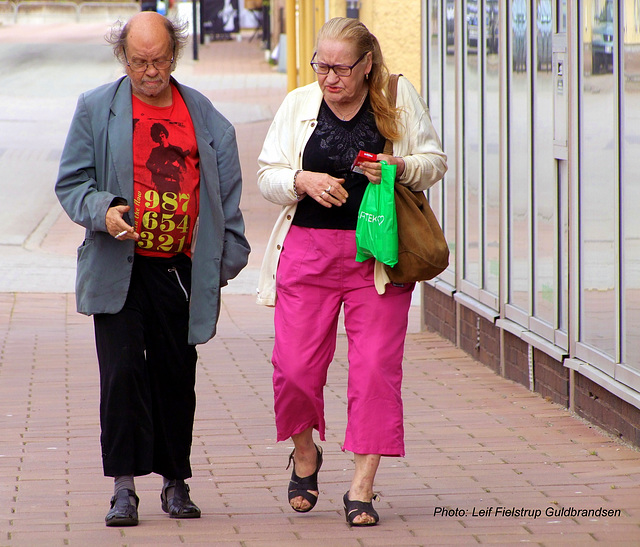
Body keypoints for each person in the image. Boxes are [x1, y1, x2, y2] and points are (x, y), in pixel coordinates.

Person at [55, 12, 250, 527]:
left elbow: (227, 202)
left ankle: (175, 482)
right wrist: (103, 211)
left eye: (159, 60)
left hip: (177, 270)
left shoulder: (205, 117)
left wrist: (218, 263)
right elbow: (71, 183)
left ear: (174, 55)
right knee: (121, 375)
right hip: (118, 265)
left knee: (174, 375)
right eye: (139, 61)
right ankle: (123, 488)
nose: (149, 71)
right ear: (124, 58)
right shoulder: (97, 109)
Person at [256, 17, 447, 526]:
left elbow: (434, 161)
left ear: (367, 65)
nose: (329, 77)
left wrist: (398, 167)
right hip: (308, 253)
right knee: (293, 368)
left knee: (375, 371)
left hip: (377, 255)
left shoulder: (396, 99)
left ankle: (361, 487)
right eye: (322, 65)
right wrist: (301, 179)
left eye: (341, 67)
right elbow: (266, 174)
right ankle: (305, 455)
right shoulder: (299, 103)